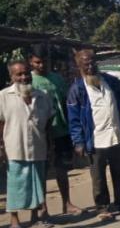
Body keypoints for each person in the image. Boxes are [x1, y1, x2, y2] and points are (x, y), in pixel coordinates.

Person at [67, 49, 120, 221]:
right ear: (78, 65)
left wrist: (118, 107)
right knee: (98, 177)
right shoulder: (78, 89)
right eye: (86, 63)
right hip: (95, 141)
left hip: (116, 136)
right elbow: (74, 119)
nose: (90, 66)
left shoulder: (109, 81)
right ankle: (102, 207)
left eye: (93, 62)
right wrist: (78, 142)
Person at [0, 61, 54, 228]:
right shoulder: (3, 96)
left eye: (26, 74)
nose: (23, 77)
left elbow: (48, 122)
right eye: (19, 74)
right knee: (15, 184)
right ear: (12, 77)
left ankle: (36, 217)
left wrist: (50, 144)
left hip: (38, 146)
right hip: (14, 147)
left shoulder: (42, 95)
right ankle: (14, 219)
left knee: (37, 183)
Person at [29, 53, 83, 216]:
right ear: (31, 62)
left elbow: (68, 101)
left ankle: (66, 203)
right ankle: (43, 207)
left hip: (61, 131)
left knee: (62, 169)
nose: (41, 65)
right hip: (41, 133)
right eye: (37, 62)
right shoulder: (29, 81)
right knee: (42, 171)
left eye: (44, 61)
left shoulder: (57, 78)